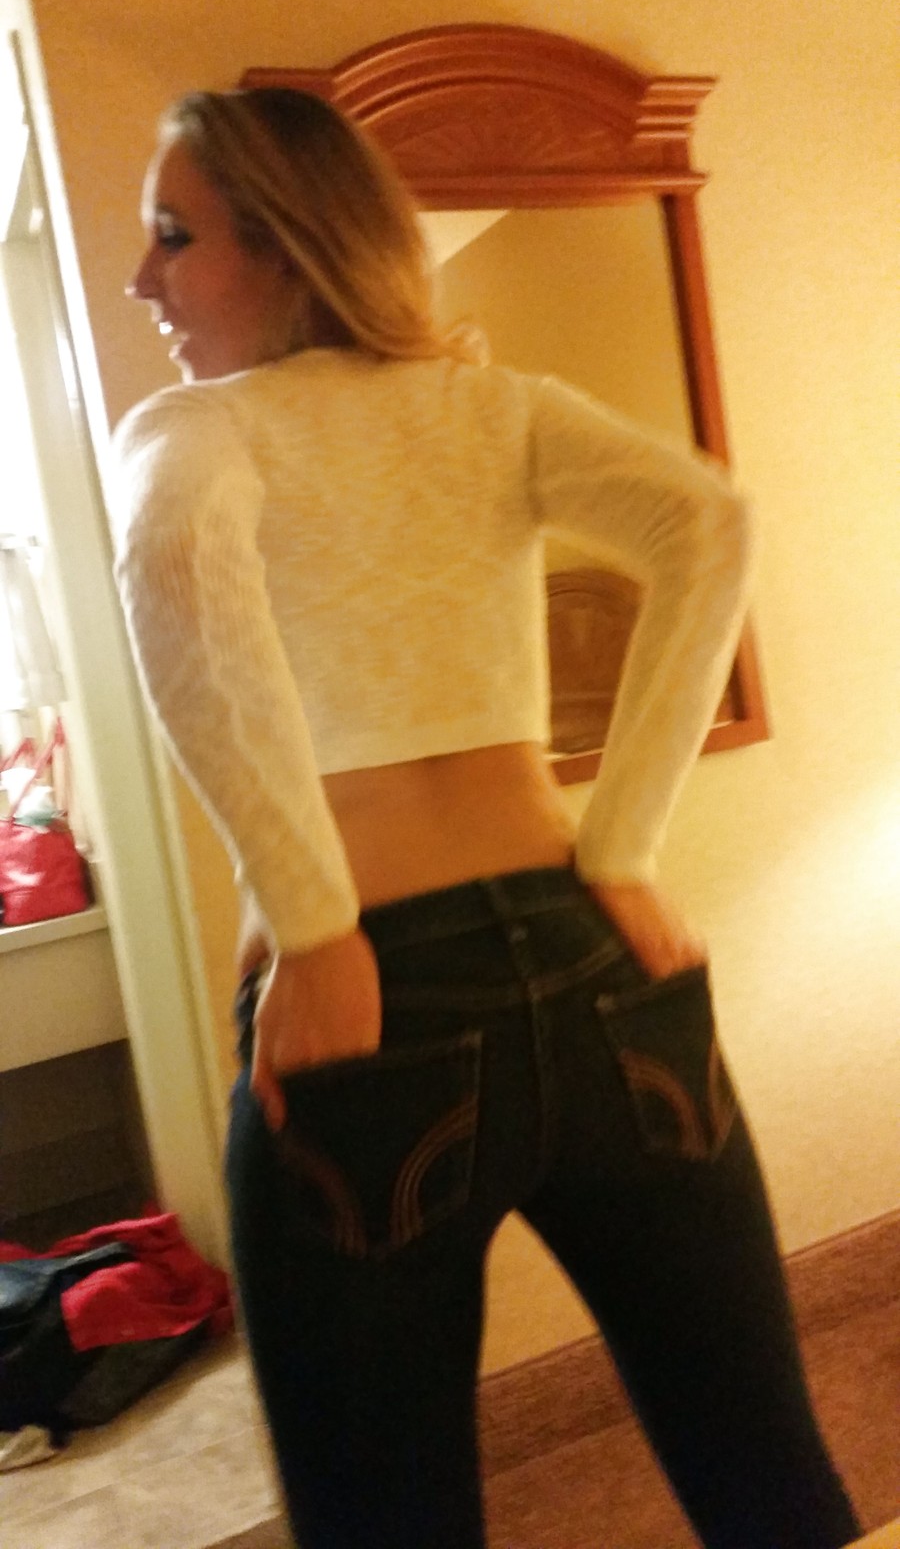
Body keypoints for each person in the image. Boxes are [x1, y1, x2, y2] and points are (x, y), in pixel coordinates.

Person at [113, 87, 861, 1549]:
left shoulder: (197, 430)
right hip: (601, 977)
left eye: (173, 235)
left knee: (385, 1522)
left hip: (376, 1013)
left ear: (284, 246)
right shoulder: (493, 404)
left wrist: (312, 927)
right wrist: (620, 847)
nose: (144, 278)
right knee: (765, 1477)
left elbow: (178, 564)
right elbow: (710, 522)